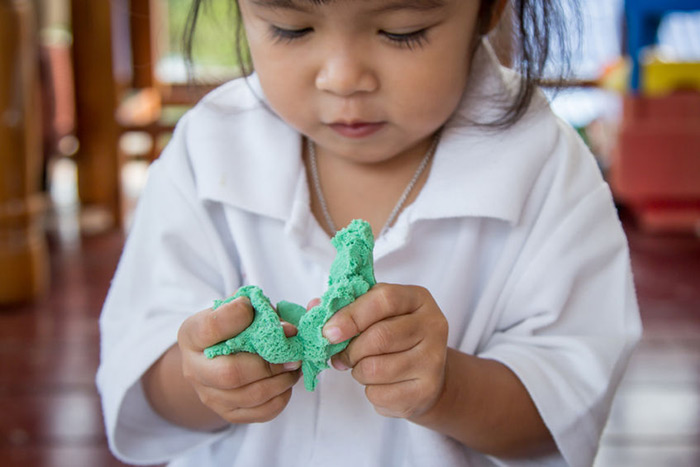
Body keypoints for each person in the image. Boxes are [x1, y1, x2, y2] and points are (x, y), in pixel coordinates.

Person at [96, 0, 642, 465]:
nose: (343, 77)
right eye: (291, 28)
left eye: (402, 32)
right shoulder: (208, 148)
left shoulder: (543, 164)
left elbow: (563, 409)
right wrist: (205, 379)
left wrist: (447, 387)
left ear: (488, 10)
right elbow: (136, 371)